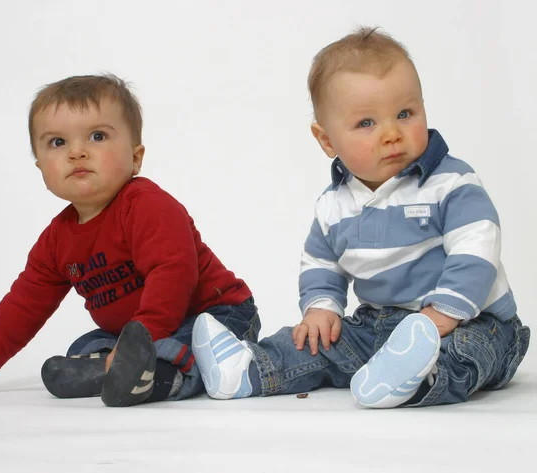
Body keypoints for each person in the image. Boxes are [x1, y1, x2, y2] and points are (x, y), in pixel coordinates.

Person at [191, 27, 530, 408]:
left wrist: (441, 316)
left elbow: (476, 250)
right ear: (327, 141)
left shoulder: (450, 182)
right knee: (319, 340)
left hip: (472, 320)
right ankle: (249, 369)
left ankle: (419, 379)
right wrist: (321, 309)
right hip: (378, 325)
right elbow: (321, 263)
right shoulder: (333, 205)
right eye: (367, 123)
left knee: (469, 351)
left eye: (405, 114)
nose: (391, 134)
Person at [0, 74, 260, 407]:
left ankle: (163, 378)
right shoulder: (56, 240)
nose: (77, 153)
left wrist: (145, 337)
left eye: (97, 137)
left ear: (136, 157)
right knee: (86, 346)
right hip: (136, 331)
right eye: (58, 142)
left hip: (215, 315)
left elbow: (173, 273)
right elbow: (27, 300)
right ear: (40, 167)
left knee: (179, 345)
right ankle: (117, 368)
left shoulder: (147, 206)